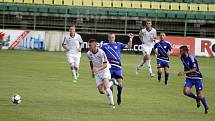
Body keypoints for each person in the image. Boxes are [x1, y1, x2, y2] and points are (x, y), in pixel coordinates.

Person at [101, 32, 134, 105]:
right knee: (109, 85)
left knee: (120, 83)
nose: (111, 39)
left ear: (114, 38)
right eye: (110, 37)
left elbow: (129, 46)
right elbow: (99, 54)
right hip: (108, 68)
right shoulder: (104, 46)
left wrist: (131, 39)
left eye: (112, 37)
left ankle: (119, 95)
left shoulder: (118, 44)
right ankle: (111, 100)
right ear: (108, 38)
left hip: (117, 67)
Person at [178, 46, 209, 114]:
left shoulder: (192, 58)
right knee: (185, 91)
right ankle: (196, 98)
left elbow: (195, 69)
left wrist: (184, 72)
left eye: (181, 51)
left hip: (197, 77)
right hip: (189, 78)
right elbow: (186, 67)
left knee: (200, 94)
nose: (179, 52)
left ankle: (206, 107)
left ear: (185, 51)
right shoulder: (182, 58)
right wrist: (183, 72)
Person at [87, 39, 115, 109]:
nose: (89, 47)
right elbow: (91, 62)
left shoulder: (101, 53)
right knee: (101, 91)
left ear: (95, 45)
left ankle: (112, 104)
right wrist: (92, 71)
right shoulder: (88, 53)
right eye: (89, 45)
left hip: (104, 70)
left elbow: (105, 65)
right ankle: (112, 82)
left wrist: (97, 69)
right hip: (97, 72)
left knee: (106, 87)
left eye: (90, 45)